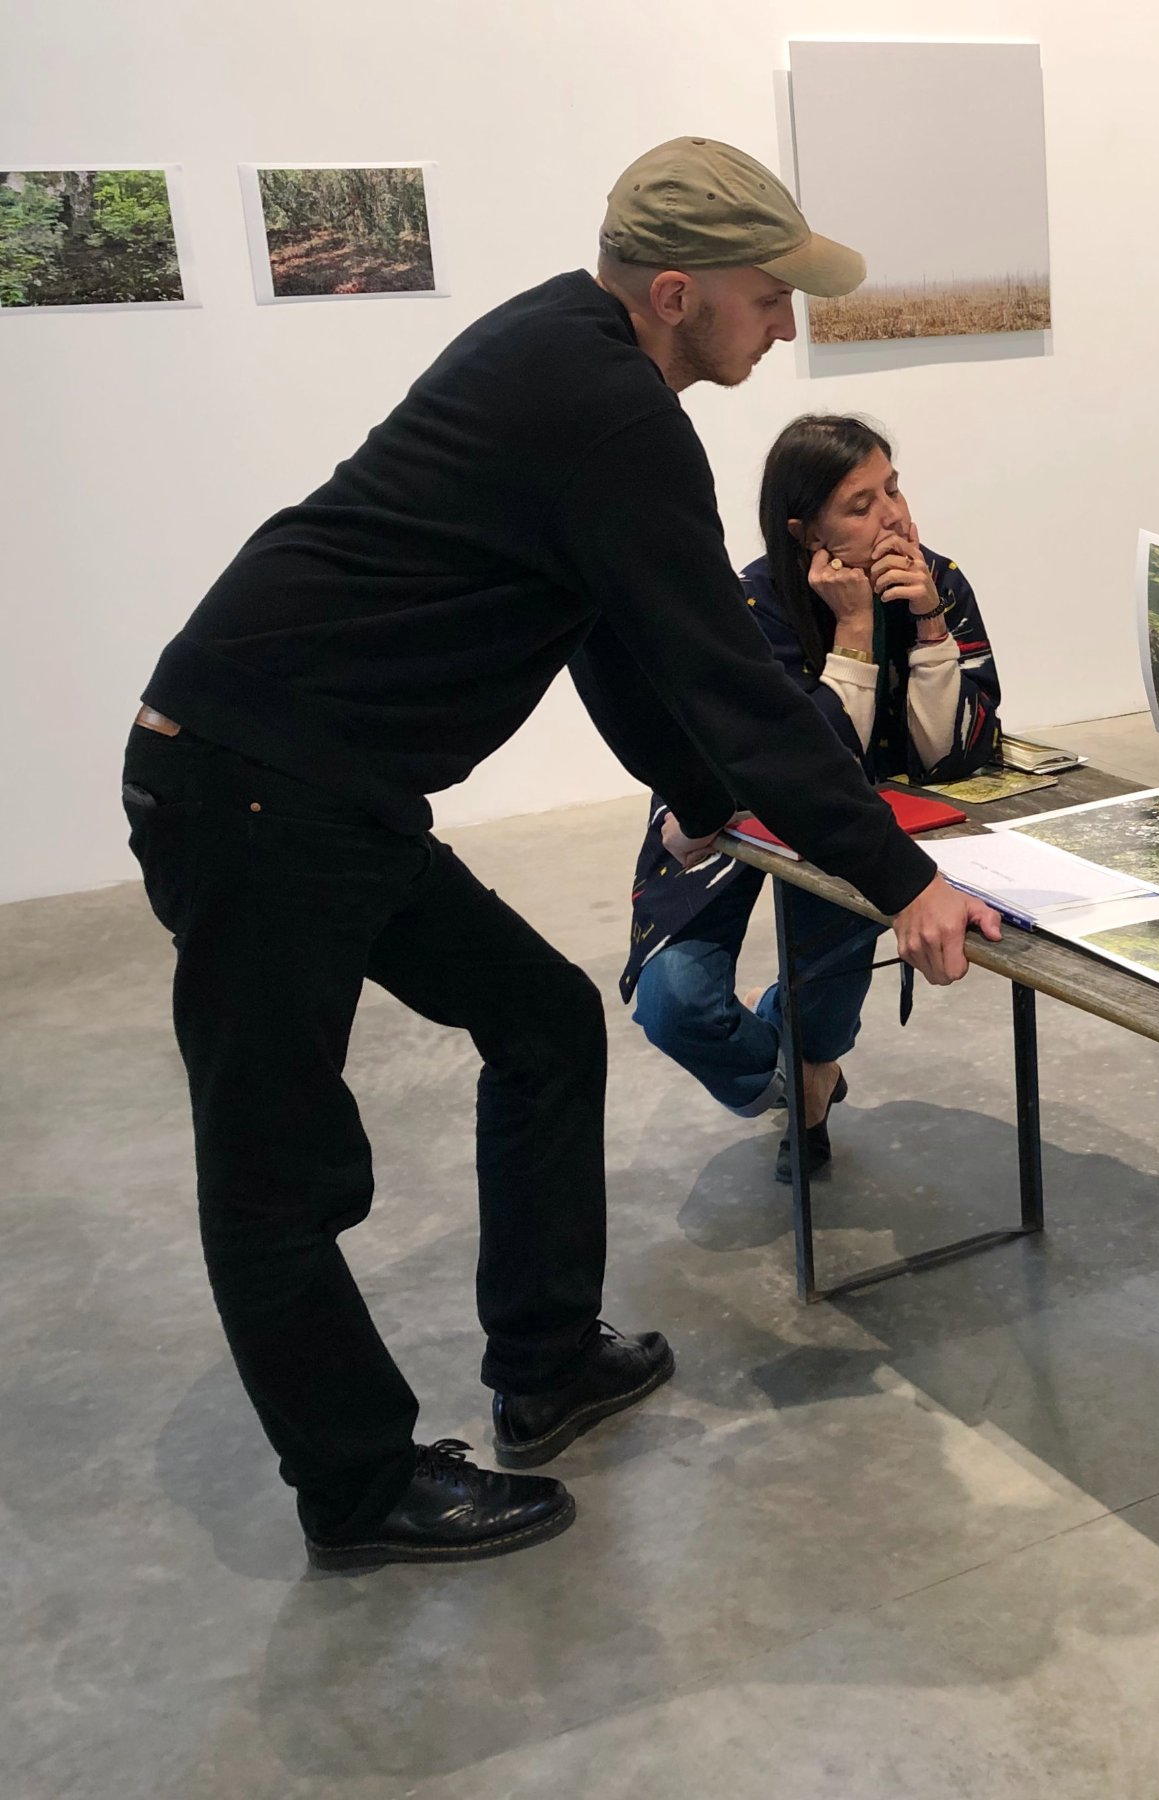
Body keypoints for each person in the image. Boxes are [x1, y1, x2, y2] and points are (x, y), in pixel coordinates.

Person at [120, 138, 1000, 1570]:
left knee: (538, 1021)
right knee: (275, 1167)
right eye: (766, 295)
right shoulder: (607, 407)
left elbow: (607, 641)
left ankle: (544, 1360)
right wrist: (903, 878)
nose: (785, 324)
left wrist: (695, 792)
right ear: (672, 291)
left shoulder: (566, 354)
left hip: (324, 793)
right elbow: (730, 676)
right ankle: (356, 1488)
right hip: (254, 790)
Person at [623, 416, 1001, 1178]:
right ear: (805, 531)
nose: (893, 515)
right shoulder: (747, 606)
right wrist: (856, 633)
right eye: (860, 505)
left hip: (853, 827)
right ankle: (805, 1086)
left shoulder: (937, 580)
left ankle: (810, 1078)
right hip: (725, 823)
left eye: (892, 488)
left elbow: (951, 756)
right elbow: (793, 767)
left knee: (824, 983)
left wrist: (927, 620)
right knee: (675, 1004)